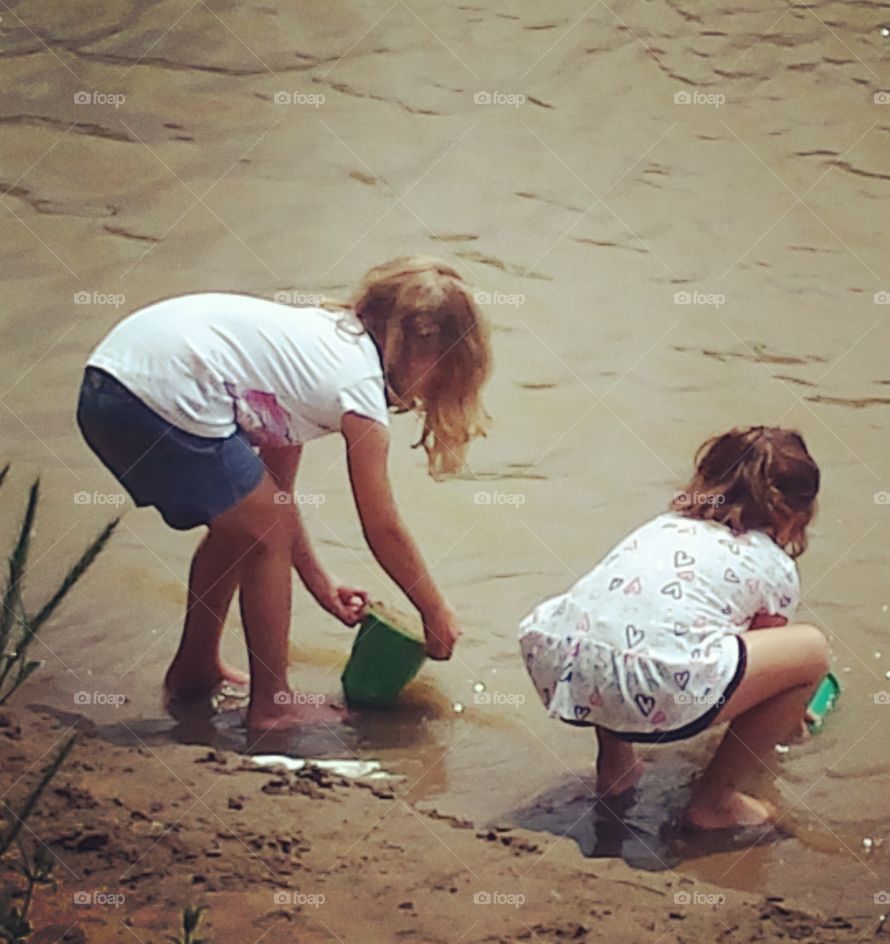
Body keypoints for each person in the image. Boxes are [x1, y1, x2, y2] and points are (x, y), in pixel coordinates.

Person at [76, 256, 491, 731]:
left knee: (244, 527)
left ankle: (195, 669)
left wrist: (320, 583)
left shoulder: (316, 348)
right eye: (446, 377)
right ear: (427, 354)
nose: (430, 397)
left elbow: (276, 499)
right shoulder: (358, 388)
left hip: (110, 383)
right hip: (154, 394)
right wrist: (434, 610)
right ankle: (272, 706)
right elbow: (381, 525)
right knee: (259, 531)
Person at [518, 426, 829, 830]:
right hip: (655, 682)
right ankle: (714, 803)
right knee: (811, 651)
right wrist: (792, 716)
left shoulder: (662, 526)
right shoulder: (773, 565)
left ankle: (616, 768)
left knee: (628, 628)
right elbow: (764, 663)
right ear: (795, 514)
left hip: (563, 660)